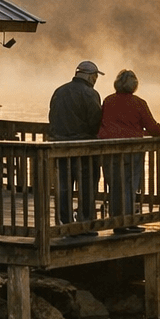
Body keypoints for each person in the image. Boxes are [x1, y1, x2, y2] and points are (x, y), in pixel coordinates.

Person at [97, 69, 160, 233]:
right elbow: (153, 128)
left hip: (109, 149)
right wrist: (156, 130)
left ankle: (117, 221)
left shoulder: (108, 101)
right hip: (131, 150)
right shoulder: (139, 103)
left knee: (114, 186)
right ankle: (126, 222)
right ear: (134, 86)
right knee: (129, 186)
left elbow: (102, 122)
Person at [48, 60, 103, 234]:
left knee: (64, 186)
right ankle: (85, 222)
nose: (95, 80)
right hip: (85, 148)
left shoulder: (59, 91)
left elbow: (52, 117)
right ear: (90, 76)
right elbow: (95, 122)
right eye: (95, 76)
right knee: (87, 186)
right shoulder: (90, 94)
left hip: (60, 146)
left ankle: (65, 222)